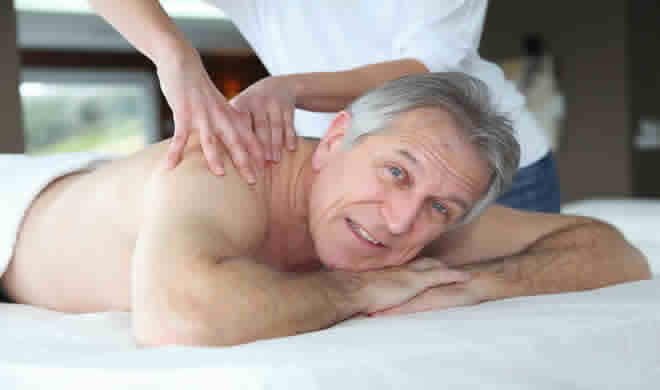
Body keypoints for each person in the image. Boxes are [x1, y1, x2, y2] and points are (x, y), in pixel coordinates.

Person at [0, 73, 649, 347]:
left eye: (439, 207)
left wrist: (479, 284)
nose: (399, 221)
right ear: (334, 139)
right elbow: (179, 318)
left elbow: (610, 249)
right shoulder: (230, 167)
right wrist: (356, 290)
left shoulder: (423, 217)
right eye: (395, 172)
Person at [87, 0, 561, 212]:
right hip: (344, 165)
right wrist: (175, 58)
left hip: (488, 171)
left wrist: (290, 88)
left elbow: (424, 69)